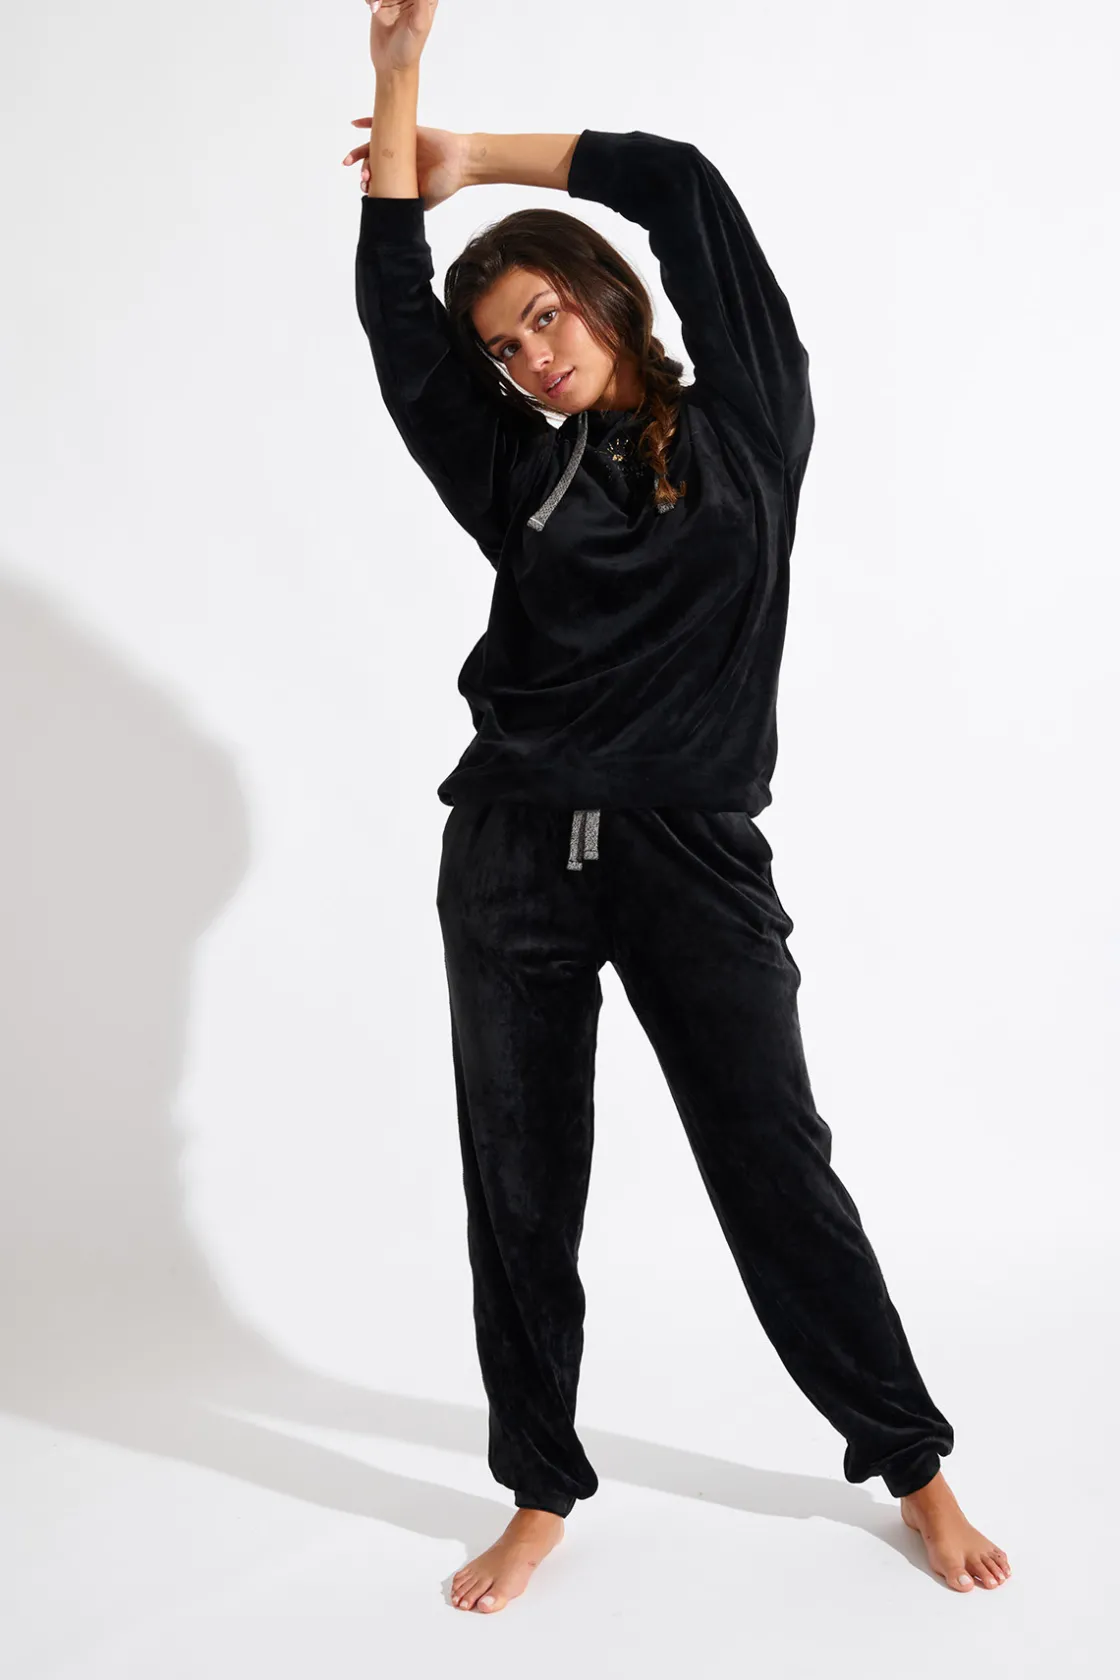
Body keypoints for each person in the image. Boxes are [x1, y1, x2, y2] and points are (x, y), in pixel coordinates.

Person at [343, 0, 1010, 1615]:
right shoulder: (517, 470)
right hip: (513, 854)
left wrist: (467, 153)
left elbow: (683, 182)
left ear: (604, 296)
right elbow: (391, 321)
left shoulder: (752, 420)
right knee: (521, 1183)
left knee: (774, 1162)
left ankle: (913, 1466)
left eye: (545, 315)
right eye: (506, 348)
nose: (533, 355)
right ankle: (539, 1490)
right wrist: (392, 94)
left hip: (691, 853)